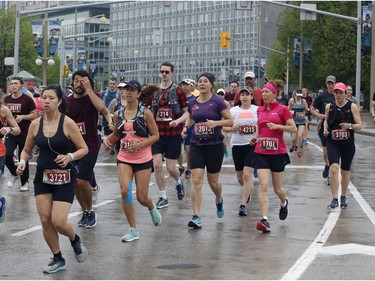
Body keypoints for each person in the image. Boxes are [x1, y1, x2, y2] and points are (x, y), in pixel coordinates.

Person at [16, 84, 89, 273]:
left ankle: (75, 239)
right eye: (43, 97)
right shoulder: (35, 124)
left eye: (51, 98)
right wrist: (22, 162)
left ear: (59, 101)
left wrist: (70, 157)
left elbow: (84, 149)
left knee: (58, 221)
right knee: (45, 220)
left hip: (65, 177)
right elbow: (26, 150)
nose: (46, 101)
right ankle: (58, 258)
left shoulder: (68, 123)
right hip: (43, 176)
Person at [102, 80, 162, 242]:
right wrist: (107, 140)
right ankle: (133, 230)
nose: (127, 93)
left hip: (143, 158)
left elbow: (156, 136)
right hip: (124, 158)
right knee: (125, 192)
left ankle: (151, 207)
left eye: (131, 90)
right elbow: (116, 135)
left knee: (142, 197)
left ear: (138, 94)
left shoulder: (145, 113)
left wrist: (140, 144)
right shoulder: (118, 114)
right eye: (125, 90)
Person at [181, 72, 233, 229]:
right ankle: (196, 216)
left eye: (205, 81)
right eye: (200, 81)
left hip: (214, 146)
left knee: (213, 182)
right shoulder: (193, 102)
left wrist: (216, 123)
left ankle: (218, 199)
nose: (202, 84)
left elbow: (230, 121)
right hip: (197, 145)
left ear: (211, 84)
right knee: (196, 179)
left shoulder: (218, 102)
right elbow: (190, 117)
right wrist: (185, 128)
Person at [66, 70, 113, 228]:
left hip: (90, 144)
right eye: (76, 81)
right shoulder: (67, 101)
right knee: (74, 182)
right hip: (72, 147)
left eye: (82, 81)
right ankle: (85, 211)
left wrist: (89, 89)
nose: (79, 84)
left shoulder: (93, 97)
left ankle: (91, 211)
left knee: (81, 179)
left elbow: (102, 108)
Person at [252, 80, 297, 233]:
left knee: (278, 189)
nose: (263, 94)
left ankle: (284, 202)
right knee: (263, 186)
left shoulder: (283, 109)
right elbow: (260, 128)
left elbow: (294, 128)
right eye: (263, 92)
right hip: (261, 151)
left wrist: (278, 126)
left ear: (274, 94)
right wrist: (255, 138)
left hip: (277, 153)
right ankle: (264, 219)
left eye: (266, 92)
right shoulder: (259, 110)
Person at [151, 62, 188, 208]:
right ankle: (163, 196)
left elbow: (187, 112)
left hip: (173, 134)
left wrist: (180, 124)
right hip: (158, 134)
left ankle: (178, 182)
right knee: (157, 165)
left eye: (167, 72)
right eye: (162, 72)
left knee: (171, 168)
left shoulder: (178, 91)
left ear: (172, 73)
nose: (164, 74)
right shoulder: (155, 92)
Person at [323, 82, 362, 209]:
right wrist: (325, 129)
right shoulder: (330, 106)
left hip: (347, 143)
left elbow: (359, 125)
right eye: (336, 92)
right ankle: (334, 198)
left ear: (345, 94)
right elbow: (326, 121)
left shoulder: (352, 106)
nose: (338, 95)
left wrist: (349, 126)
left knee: (345, 171)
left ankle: (343, 196)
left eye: (341, 93)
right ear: (333, 93)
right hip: (333, 142)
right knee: (333, 168)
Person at [223, 87, 257, 216]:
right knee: (240, 177)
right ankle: (247, 190)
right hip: (237, 145)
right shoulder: (233, 111)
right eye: (242, 95)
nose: (244, 97)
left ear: (251, 97)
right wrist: (232, 128)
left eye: (247, 95)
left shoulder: (257, 110)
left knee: (248, 174)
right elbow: (224, 127)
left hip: (251, 145)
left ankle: (243, 204)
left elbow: (263, 124)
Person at [4, 76, 37, 191]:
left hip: (25, 133)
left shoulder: (27, 99)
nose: (13, 85)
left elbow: (34, 115)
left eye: (16, 83)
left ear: (21, 86)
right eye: (11, 83)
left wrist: (23, 117)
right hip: (11, 132)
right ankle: (14, 173)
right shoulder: (6, 99)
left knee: (23, 158)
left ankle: (25, 182)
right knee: (7, 154)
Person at [311, 75, 336, 185]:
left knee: (333, 152)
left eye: (332, 83)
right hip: (324, 127)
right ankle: (327, 165)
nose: (330, 85)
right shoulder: (322, 97)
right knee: (325, 153)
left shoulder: (338, 95)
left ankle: (331, 175)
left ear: (335, 84)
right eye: (328, 83)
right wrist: (319, 115)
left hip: (335, 127)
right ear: (326, 84)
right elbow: (312, 108)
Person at [1, 99, 21, 176]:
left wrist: (9, 129)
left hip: (0, 151)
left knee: (8, 155)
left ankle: (15, 173)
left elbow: (17, 130)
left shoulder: (3, 109)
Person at [288, 89, 309, 157]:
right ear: (295, 95)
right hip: (294, 121)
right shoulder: (292, 101)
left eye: (300, 96)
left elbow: (306, 109)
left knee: (300, 136)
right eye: (298, 96)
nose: (299, 97)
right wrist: (289, 111)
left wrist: (311, 110)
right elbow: (288, 108)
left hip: (302, 121)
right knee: (294, 138)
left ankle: (299, 150)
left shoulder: (304, 101)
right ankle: (293, 145)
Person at [102, 78, 119, 156]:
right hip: (106, 115)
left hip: (116, 115)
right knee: (107, 131)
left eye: (113, 83)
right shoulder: (105, 93)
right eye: (110, 83)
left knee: (115, 131)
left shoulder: (118, 94)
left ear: (116, 84)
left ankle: (113, 147)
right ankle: (111, 146)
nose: (112, 85)